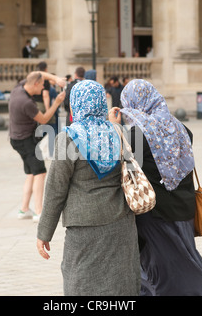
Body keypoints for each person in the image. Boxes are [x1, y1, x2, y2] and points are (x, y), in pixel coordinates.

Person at [109, 79, 202, 296]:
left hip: (155, 214)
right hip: (185, 209)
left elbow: (117, 160)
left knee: (163, 271)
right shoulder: (181, 128)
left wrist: (114, 127)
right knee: (185, 260)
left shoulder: (134, 136)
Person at [37, 80, 140, 296]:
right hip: (120, 222)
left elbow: (56, 189)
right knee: (120, 282)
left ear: (75, 106)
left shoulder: (68, 137)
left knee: (81, 282)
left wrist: (44, 232)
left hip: (84, 226)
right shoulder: (119, 133)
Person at [9, 71, 66, 223]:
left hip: (16, 139)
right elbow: (44, 119)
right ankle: (39, 212)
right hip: (26, 141)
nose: (42, 88)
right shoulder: (26, 103)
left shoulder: (18, 88)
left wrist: (55, 79)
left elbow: (36, 73)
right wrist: (57, 102)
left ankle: (24, 209)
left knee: (31, 173)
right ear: (35, 84)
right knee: (40, 173)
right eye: (41, 85)